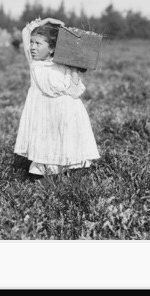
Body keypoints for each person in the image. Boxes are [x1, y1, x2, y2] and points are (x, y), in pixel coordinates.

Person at [14, 17, 100, 178]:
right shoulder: (34, 63)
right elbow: (26, 31)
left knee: (66, 140)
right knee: (46, 141)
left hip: (65, 112)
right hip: (42, 112)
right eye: (32, 43)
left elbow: (75, 90)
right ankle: (43, 173)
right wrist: (45, 21)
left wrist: (74, 67)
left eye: (38, 44)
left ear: (52, 48)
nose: (32, 47)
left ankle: (72, 169)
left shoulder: (63, 65)